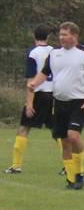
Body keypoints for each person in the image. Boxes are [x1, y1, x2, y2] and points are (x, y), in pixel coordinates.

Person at [26, 21, 84, 190]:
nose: (61, 38)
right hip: (59, 102)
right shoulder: (54, 54)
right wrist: (34, 83)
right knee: (64, 141)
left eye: (65, 35)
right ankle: (70, 178)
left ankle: (79, 173)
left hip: (78, 102)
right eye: (60, 34)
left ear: (74, 36)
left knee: (73, 136)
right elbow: (45, 72)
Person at [7, 25, 62, 175]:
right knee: (56, 130)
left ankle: (16, 166)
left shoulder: (33, 53)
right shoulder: (55, 51)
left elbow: (31, 79)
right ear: (48, 37)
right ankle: (68, 166)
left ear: (34, 36)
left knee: (23, 128)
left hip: (38, 94)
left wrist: (29, 103)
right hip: (54, 95)